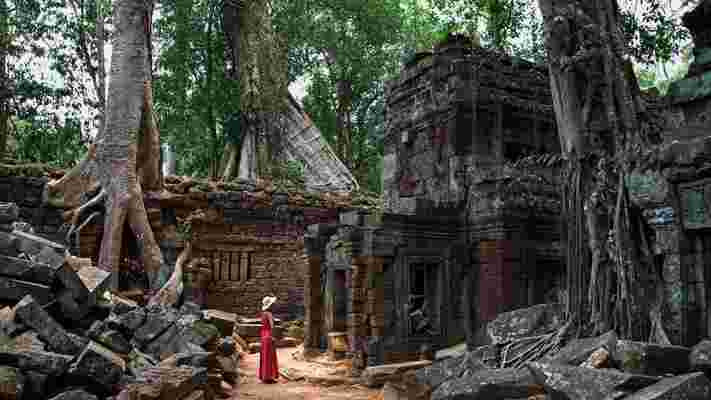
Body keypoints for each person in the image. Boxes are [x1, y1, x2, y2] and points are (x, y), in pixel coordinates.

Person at [259, 295, 279, 383]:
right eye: (273, 304)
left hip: (263, 336)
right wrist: (273, 336)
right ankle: (269, 377)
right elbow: (272, 327)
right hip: (268, 335)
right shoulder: (269, 314)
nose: (274, 305)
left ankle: (264, 376)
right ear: (270, 305)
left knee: (264, 356)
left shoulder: (263, 314)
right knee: (270, 356)